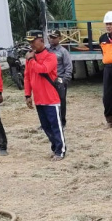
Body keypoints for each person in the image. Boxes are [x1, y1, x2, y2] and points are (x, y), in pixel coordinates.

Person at [24, 30, 65, 161]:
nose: (31, 44)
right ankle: (55, 147)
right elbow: (27, 77)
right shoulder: (30, 58)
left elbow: (43, 69)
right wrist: (27, 95)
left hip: (51, 98)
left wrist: (31, 60)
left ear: (41, 40)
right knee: (46, 127)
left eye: (33, 41)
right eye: (29, 41)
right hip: (39, 99)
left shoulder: (50, 56)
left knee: (56, 126)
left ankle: (61, 150)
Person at [47, 30, 72, 129]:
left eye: (54, 37)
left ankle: (62, 121)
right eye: (50, 37)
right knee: (48, 102)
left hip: (59, 79)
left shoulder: (63, 51)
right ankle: (49, 122)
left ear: (59, 38)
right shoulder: (47, 50)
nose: (52, 39)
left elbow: (68, 67)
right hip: (48, 80)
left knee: (61, 101)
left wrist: (64, 80)